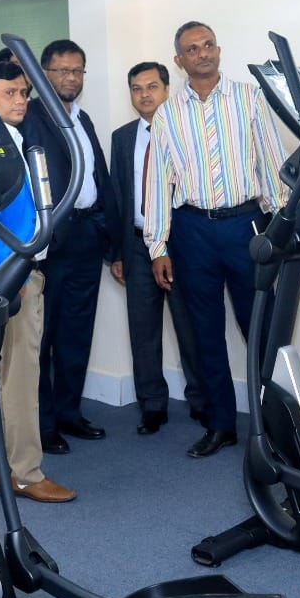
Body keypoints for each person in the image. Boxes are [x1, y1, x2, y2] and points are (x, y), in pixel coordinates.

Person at [144, 21, 289, 459]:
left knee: (261, 328)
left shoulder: (250, 98)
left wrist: (281, 224)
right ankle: (221, 424)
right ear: (179, 60)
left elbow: (271, 163)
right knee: (204, 333)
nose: (202, 53)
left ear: (218, 50)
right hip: (192, 232)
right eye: (192, 49)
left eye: (208, 45)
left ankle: (275, 427)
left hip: (246, 226)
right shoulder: (167, 113)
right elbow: (159, 182)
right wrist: (158, 245)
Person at [0, 60, 76, 504]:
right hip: (10, 274)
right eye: (9, 93)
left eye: (24, 93)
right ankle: (27, 473)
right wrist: (12, 271)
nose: (20, 101)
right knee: (20, 375)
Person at [21, 39, 112, 455]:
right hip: (51, 243)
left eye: (77, 71)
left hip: (87, 236)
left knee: (77, 332)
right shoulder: (31, 117)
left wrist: (109, 236)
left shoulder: (83, 118)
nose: (71, 78)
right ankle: (42, 424)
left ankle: (69, 413)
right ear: (44, 74)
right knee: (42, 337)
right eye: (62, 70)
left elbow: (99, 177)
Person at [108, 62, 208, 434]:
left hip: (179, 243)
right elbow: (117, 196)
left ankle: (202, 401)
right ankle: (152, 405)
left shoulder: (187, 130)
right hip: (136, 244)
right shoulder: (121, 138)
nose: (144, 94)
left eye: (152, 86)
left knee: (190, 326)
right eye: (136, 88)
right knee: (142, 329)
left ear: (167, 89)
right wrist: (117, 252)